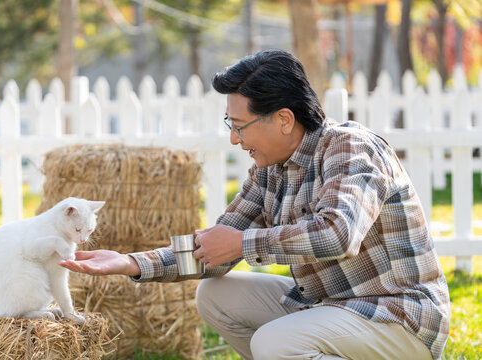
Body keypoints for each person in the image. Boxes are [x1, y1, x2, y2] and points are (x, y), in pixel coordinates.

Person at [59, 49, 450, 360]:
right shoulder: (269, 170)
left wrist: (245, 244)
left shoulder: (350, 148)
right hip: (331, 308)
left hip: (399, 318)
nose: (234, 140)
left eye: (240, 126)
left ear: (283, 119)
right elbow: (213, 248)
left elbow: (338, 233)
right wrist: (130, 263)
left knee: (274, 344)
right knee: (215, 296)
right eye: (230, 126)